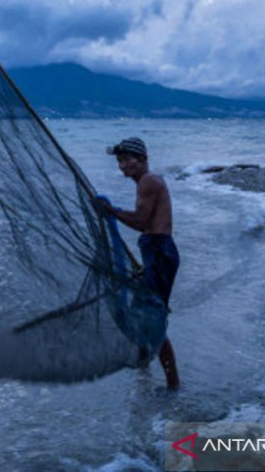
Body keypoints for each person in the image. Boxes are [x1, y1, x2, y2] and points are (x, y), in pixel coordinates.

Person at [98, 137, 180, 389]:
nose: (123, 165)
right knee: (141, 313)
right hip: (156, 252)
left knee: (152, 319)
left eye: (127, 159)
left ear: (143, 159)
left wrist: (111, 211)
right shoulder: (146, 181)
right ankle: (145, 368)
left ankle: (173, 385)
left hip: (159, 250)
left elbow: (142, 222)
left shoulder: (148, 181)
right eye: (120, 161)